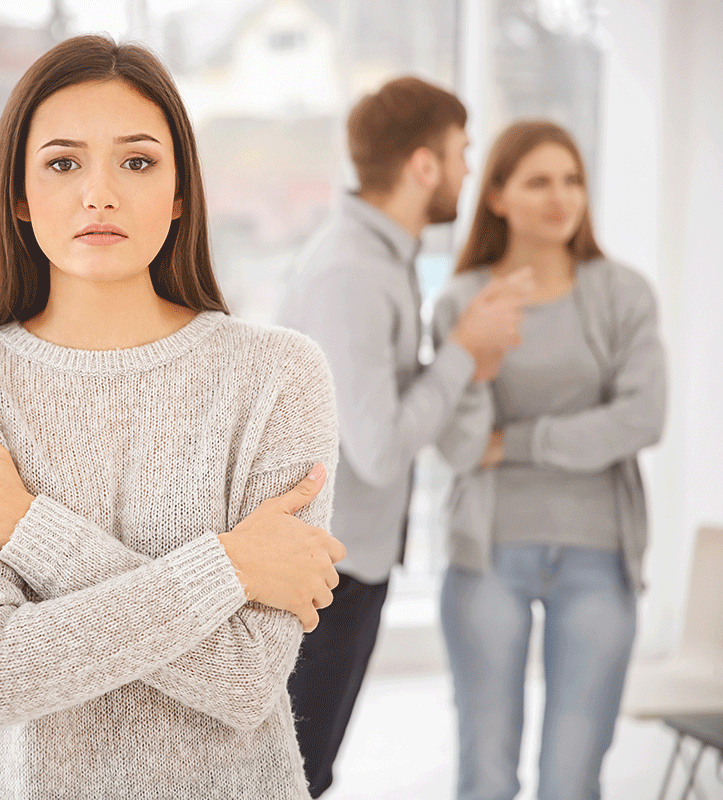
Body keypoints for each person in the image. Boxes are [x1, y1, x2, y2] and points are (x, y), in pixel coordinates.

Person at [0, 35, 347, 800]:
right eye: (63, 163)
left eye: (136, 161)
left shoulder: (279, 376)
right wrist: (228, 565)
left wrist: (25, 526)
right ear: (19, 196)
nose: (99, 193)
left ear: (178, 193)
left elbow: (243, 680)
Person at [277, 77, 532, 796]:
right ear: (425, 165)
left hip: (350, 561)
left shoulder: (381, 255)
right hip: (328, 570)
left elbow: (374, 402)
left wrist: (457, 353)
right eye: (462, 153)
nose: (467, 172)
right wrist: (461, 351)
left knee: (308, 768)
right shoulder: (352, 270)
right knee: (296, 775)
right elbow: (379, 448)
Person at [433, 120, 666, 800]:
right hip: (488, 557)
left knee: (572, 779)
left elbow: (642, 418)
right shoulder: (462, 301)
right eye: (539, 181)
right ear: (498, 196)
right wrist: (479, 367)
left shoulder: (623, 294)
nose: (561, 197)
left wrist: (523, 442)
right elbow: (461, 445)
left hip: (599, 558)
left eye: (572, 180)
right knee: (486, 774)